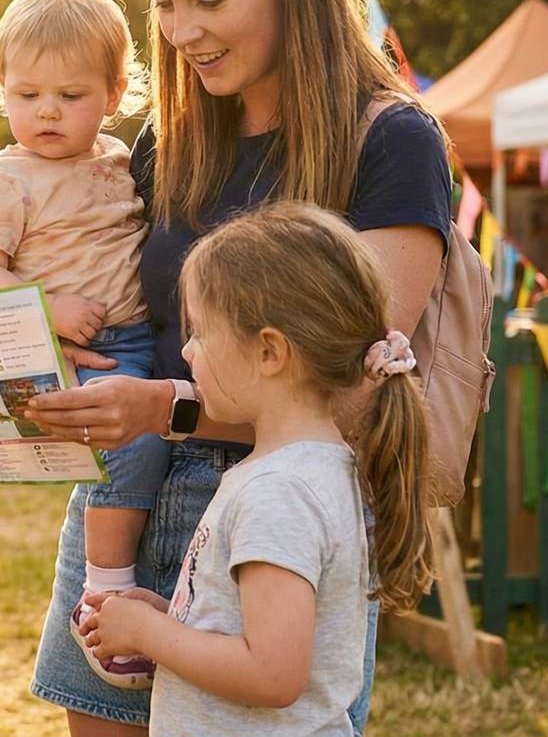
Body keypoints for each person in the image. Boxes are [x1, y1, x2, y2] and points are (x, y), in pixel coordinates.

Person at [19, 0, 454, 736]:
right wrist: (56, 335)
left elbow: (351, 391)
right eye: (163, 3)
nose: (181, 31)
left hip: (278, 516)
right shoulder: (169, 137)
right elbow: (127, 302)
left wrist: (161, 407)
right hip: (122, 502)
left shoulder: (391, 142)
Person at [78, 204, 434, 735]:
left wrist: (149, 634)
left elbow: (272, 675)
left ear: (269, 352)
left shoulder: (279, 492)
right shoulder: (309, 470)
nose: (187, 351)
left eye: (201, 332)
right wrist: (173, 616)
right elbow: (262, 632)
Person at [0, 0, 164, 689]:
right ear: (1, 90)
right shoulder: (6, 178)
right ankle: (104, 591)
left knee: (159, 444)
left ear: (113, 93)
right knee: (132, 448)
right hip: (67, 349)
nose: (46, 110)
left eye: (70, 95)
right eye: (26, 94)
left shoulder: (119, 159)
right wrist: (47, 307)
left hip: (138, 336)